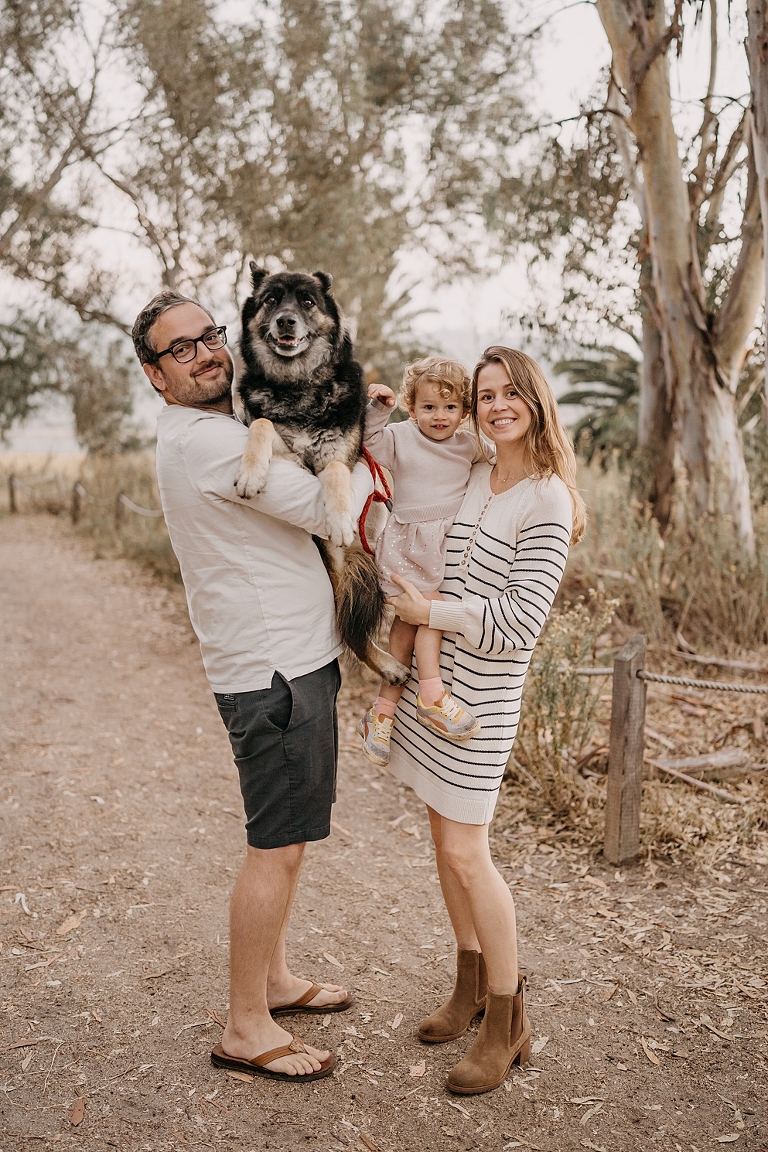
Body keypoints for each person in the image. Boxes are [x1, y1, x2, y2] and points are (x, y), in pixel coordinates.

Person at [131, 289, 375, 1083]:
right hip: (274, 676)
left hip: (292, 661)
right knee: (274, 850)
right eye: (181, 349)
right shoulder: (207, 444)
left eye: (208, 336)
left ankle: (272, 982)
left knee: (292, 842)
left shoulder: (222, 429)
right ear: (155, 375)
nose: (206, 353)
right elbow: (326, 511)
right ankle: (244, 1025)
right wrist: (379, 450)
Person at [380, 346, 586, 1095]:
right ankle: (467, 987)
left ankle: (508, 1016)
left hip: (485, 699)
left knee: (470, 854)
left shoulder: (547, 499)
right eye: (485, 395)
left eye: (509, 393)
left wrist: (427, 612)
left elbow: (519, 624)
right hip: (439, 687)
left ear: (534, 399)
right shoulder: (472, 473)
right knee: (443, 842)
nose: (496, 405)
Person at [358, 357, 485, 768]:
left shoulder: (470, 444)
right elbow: (369, 441)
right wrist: (379, 408)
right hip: (408, 542)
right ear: (412, 408)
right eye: (428, 407)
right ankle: (431, 694)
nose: (439, 416)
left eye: (450, 408)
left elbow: (507, 453)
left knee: (408, 626)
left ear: (465, 412)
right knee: (426, 611)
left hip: (445, 546)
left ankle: (383, 712)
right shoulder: (401, 436)